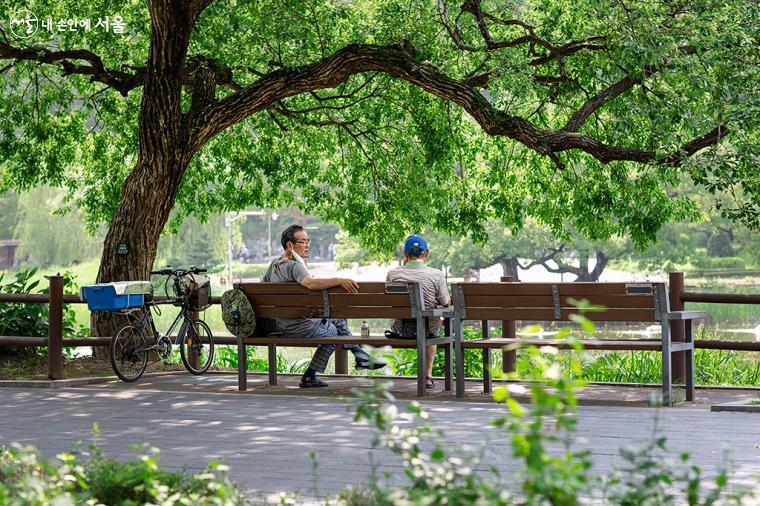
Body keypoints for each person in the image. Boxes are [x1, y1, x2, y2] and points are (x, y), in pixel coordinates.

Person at [262, 224, 387, 388]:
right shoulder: (295, 265)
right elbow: (310, 283)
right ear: (290, 245)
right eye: (303, 242)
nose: (307, 245)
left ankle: (359, 355)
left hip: (280, 323)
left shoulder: (275, 265)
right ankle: (314, 374)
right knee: (334, 333)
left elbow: (263, 284)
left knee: (338, 320)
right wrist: (338, 280)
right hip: (297, 326)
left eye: (308, 241)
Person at [386, 234, 451, 389]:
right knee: (434, 324)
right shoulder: (436, 274)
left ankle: (427, 376)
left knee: (427, 320)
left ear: (406, 255)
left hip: (400, 329)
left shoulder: (393, 274)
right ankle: (427, 376)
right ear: (426, 253)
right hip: (428, 331)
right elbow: (445, 302)